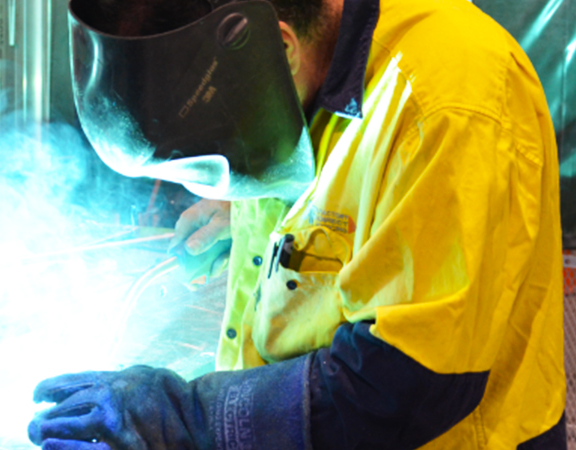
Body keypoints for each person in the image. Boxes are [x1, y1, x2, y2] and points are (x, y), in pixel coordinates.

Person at [28, 0, 565, 448]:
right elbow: (338, 189)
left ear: (277, 51)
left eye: (205, 161)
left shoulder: (448, 102)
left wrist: (188, 417)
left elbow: (403, 386)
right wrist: (240, 209)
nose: (210, 180)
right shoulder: (297, 79)